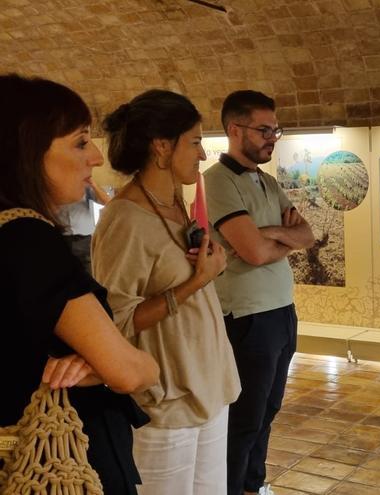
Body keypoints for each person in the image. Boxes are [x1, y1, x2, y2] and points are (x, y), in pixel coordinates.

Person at [0, 73, 159, 493]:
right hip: (58, 461)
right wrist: (111, 366)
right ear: (26, 151)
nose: (96, 159)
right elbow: (129, 372)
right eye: (80, 141)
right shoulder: (28, 239)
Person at [92, 89, 241, 495]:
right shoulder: (124, 219)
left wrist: (210, 265)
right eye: (194, 142)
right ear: (161, 146)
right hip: (168, 399)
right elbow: (116, 322)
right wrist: (195, 282)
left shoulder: (176, 200)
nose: (203, 154)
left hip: (210, 386)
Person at [204, 90, 315, 495]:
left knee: (269, 409)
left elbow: (308, 234)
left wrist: (269, 233)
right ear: (235, 130)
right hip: (249, 315)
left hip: (282, 310)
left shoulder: (265, 181)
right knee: (245, 416)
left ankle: (255, 484)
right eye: (264, 130)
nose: (272, 138)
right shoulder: (217, 181)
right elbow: (250, 252)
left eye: (275, 130)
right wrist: (272, 239)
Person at [58, 179, 111, 274]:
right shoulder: (55, 187)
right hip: (61, 238)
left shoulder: (87, 187)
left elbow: (108, 203)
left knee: (89, 275)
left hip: (85, 239)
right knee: (64, 274)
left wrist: (93, 184)